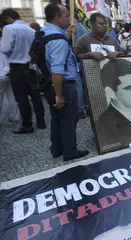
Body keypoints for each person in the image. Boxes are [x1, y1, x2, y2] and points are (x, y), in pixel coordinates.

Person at [42, 3, 89, 161]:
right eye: (66, 16)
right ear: (57, 18)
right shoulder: (58, 41)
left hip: (48, 82)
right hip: (63, 85)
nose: (69, 19)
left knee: (56, 119)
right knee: (68, 119)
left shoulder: (43, 33)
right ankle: (69, 151)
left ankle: (57, 149)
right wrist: (59, 95)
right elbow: (57, 70)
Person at [0, 8, 45, 134]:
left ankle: (27, 125)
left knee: (22, 97)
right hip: (31, 66)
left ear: (7, 18)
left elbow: (4, 48)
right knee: (35, 95)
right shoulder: (30, 29)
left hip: (17, 67)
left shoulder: (9, 28)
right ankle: (41, 122)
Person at [0, 30, 19, 122]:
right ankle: (14, 116)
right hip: (10, 72)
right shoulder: (7, 45)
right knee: (12, 95)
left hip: (0, 74)